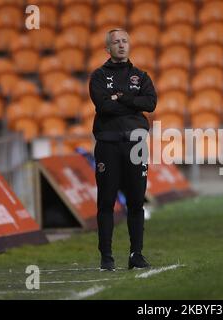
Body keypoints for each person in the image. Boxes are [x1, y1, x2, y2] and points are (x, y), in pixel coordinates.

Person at [89, 29, 157, 270]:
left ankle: (135, 255)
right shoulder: (98, 76)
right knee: (106, 201)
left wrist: (121, 97)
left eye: (125, 41)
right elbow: (104, 106)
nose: (121, 45)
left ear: (130, 46)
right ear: (107, 49)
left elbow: (150, 103)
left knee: (136, 202)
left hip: (136, 144)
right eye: (116, 42)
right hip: (108, 145)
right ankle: (106, 257)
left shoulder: (141, 76)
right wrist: (130, 103)